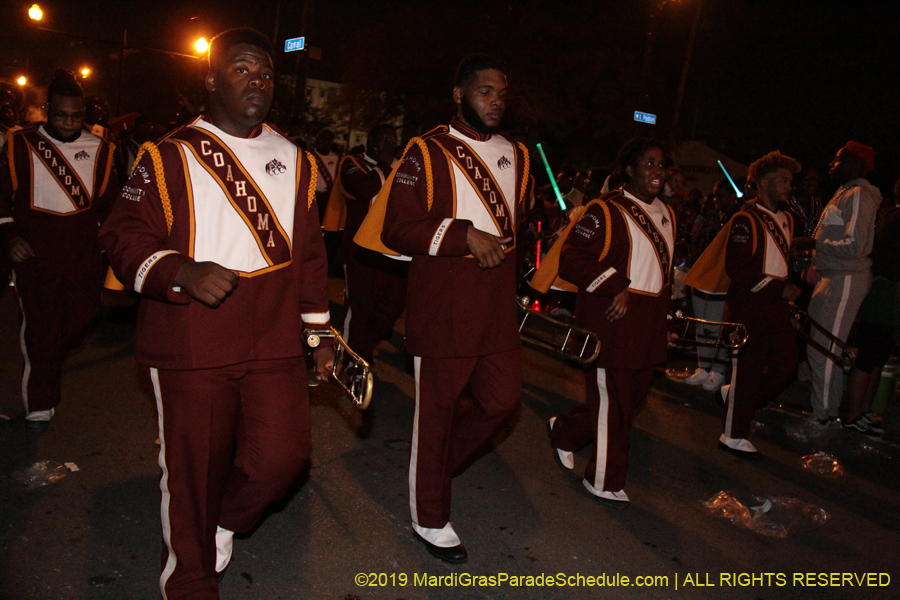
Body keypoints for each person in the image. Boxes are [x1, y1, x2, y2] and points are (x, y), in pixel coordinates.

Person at [100, 28, 334, 599]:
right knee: (191, 474)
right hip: (191, 344)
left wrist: (320, 330)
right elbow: (122, 238)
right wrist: (179, 270)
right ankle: (189, 580)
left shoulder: (296, 160)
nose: (257, 82)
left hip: (274, 341)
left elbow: (308, 252)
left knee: (283, 459)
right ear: (210, 77)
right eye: (242, 69)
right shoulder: (167, 155)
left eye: (266, 74)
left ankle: (221, 522)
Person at [357, 54, 530, 563]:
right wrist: (462, 234)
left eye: (502, 92)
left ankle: (431, 467)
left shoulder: (516, 154)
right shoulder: (427, 152)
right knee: (436, 414)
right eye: (484, 90)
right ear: (459, 95)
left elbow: (517, 232)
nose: (495, 99)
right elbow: (396, 228)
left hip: (496, 308)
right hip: (445, 305)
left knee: (501, 403)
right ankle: (430, 517)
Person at [547, 137, 674, 508]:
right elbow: (571, 259)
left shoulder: (668, 212)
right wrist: (615, 284)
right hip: (611, 320)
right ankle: (603, 478)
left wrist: (665, 321)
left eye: (661, 165)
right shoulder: (605, 209)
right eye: (648, 164)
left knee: (627, 400)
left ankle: (565, 432)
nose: (657, 171)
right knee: (615, 401)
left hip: (647, 323)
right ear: (629, 170)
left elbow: (659, 273)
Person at [0, 69, 118, 432]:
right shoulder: (19, 143)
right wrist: (10, 238)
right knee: (38, 329)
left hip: (82, 257)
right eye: (60, 115)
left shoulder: (102, 150)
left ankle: (48, 366)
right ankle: (40, 403)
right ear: (46, 110)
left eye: (77, 116)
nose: (69, 123)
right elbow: (2, 197)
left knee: (83, 319)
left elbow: (110, 207)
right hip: (35, 256)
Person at [693, 152, 801, 458]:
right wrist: (780, 289)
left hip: (774, 306)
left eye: (790, 181)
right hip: (748, 306)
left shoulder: (788, 219)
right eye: (783, 180)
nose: (788, 187)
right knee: (749, 368)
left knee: (786, 366)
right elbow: (738, 270)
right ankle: (733, 434)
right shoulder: (746, 219)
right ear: (764, 183)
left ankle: (736, 396)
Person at [794, 142, 881, 425]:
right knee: (822, 350)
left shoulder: (858, 194)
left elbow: (855, 246)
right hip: (835, 276)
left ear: (855, 165)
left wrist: (813, 243)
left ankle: (822, 419)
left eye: (838, 159)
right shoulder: (846, 193)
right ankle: (826, 413)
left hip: (846, 278)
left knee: (824, 351)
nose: (832, 163)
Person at [328, 124, 407, 363]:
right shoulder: (352, 163)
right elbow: (365, 189)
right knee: (359, 310)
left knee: (392, 307)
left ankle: (366, 347)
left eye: (393, 139)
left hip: (392, 252)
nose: (390, 143)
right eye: (385, 138)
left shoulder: (401, 166)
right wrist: (383, 163)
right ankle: (354, 362)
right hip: (359, 252)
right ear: (371, 140)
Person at [682, 178, 741, 391]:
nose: (717, 200)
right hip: (702, 276)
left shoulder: (737, 219)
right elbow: (695, 242)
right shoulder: (709, 217)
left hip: (721, 281)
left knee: (717, 326)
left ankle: (718, 370)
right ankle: (703, 366)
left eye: (721, 196)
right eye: (715, 196)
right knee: (702, 323)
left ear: (733, 196)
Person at [312, 128, 339, 222]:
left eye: (326, 139)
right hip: (313, 197)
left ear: (331, 142)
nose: (323, 141)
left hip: (329, 197)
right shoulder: (309, 156)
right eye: (321, 138)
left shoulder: (336, 157)